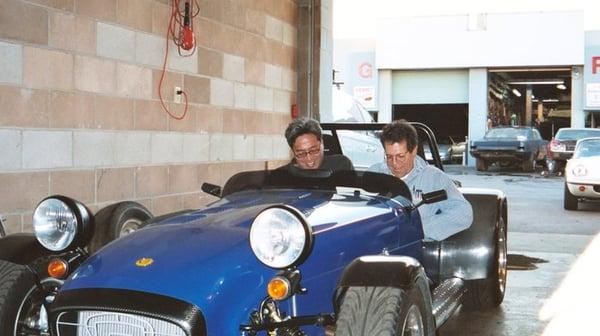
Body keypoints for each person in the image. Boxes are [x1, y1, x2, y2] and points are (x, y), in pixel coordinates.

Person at [368, 120, 473, 241]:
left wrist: (417, 229)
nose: (395, 163)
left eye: (401, 156)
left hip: (412, 248)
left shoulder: (434, 178)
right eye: (389, 157)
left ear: (414, 151)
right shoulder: (373, 173)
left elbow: (463, 213)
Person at [280, 117, 353, 172]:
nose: (309, 159)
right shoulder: (281, 176)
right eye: (301, 153)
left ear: (322, 143)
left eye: (313, 150)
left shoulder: (341, 166)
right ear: (293, 151)